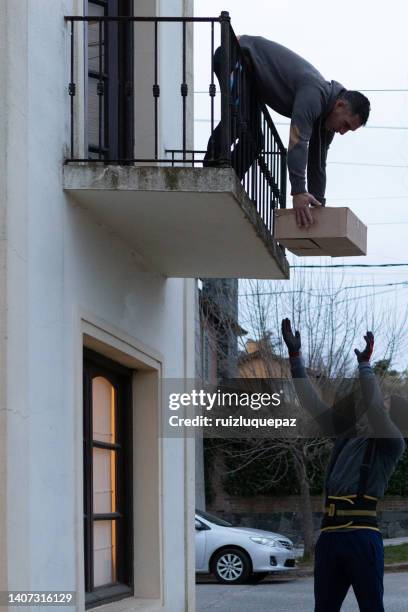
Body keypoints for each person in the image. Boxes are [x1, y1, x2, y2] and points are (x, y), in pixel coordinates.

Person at [281, 318, 405, 612]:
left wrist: (365, 367)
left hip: (361, 537)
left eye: (385, 403)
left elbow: (374, 407)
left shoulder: (391, 442)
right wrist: (295, 359)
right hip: (330, 538)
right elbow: (311, 403)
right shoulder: (346, 435)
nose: (376, 404)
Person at [204, 38, 370, 228]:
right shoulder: (315, 93)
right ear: (339, 105)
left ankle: (228, 177)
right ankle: (212, 169)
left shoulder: (325, 123)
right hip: (234, 56)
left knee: (255, 140)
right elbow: (297, 141)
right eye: (346, 125)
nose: (342, 132)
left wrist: (317, 208)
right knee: (238, 120)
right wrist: (298, 191)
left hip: (248, 78)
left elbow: (317, 165)